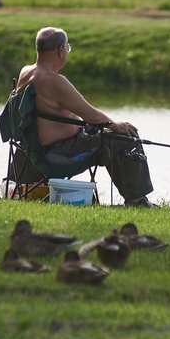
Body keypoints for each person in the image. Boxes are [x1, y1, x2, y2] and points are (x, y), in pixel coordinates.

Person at [14, 26, 154, 207]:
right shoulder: (55, 81)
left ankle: (135, 199)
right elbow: (91, 115)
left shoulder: (26, 72)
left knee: (106, 134)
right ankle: (137, 200)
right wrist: (116, 125)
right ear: (60, 50)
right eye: (67, 47)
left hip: (31, 152)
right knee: (125, 139)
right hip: (58, 155)